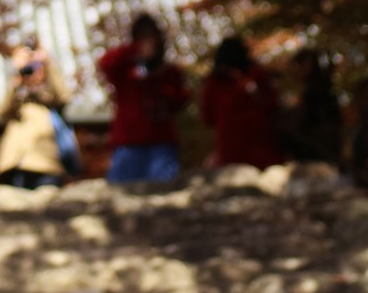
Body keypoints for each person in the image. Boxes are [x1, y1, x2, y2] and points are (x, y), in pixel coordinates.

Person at [98, 12, 188, 183]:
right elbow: (105, 63)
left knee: (163, 194)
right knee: (121, 194)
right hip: (127, 143)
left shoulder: (169, 73)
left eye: (151, 37)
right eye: (142, 37)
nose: (148, 42)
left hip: (161, 143)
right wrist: (134, 50)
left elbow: (178, 101)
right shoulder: (125, 72)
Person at [0, 37, 73, 189]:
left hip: (47, 163)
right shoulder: (18, 102)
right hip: (15, 163)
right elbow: (2, 111)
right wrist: (16, 74)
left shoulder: (48, 103)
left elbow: (63, 96)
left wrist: (48, 63)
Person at [201, 35, 284, 169]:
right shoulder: (256, 76)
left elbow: (207, 117)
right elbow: (272, 105)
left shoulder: (214, 83)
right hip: (259, 149)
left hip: (237, 150)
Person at [283, 48, 344, 164]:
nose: (295, 71)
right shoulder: (320, 90)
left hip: (318, 153)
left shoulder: (318, 92)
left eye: (298, 66)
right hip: (319, 152)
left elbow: (322, 124)